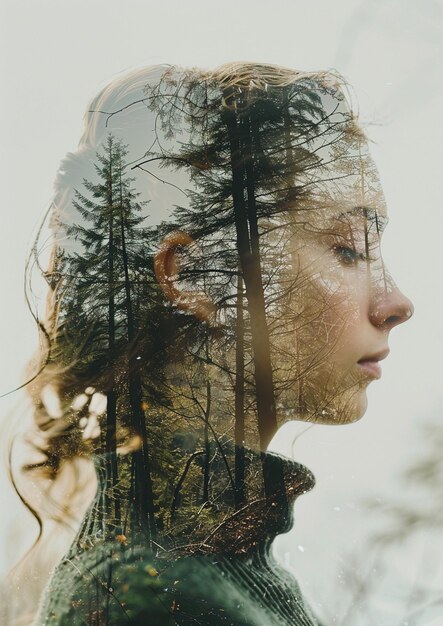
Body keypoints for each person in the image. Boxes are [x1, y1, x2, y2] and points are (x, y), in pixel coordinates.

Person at [8, 62, 413, 625]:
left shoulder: (220, 568)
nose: (397, 304)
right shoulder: (155, 595)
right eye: (347, 248)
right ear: (196, 275)